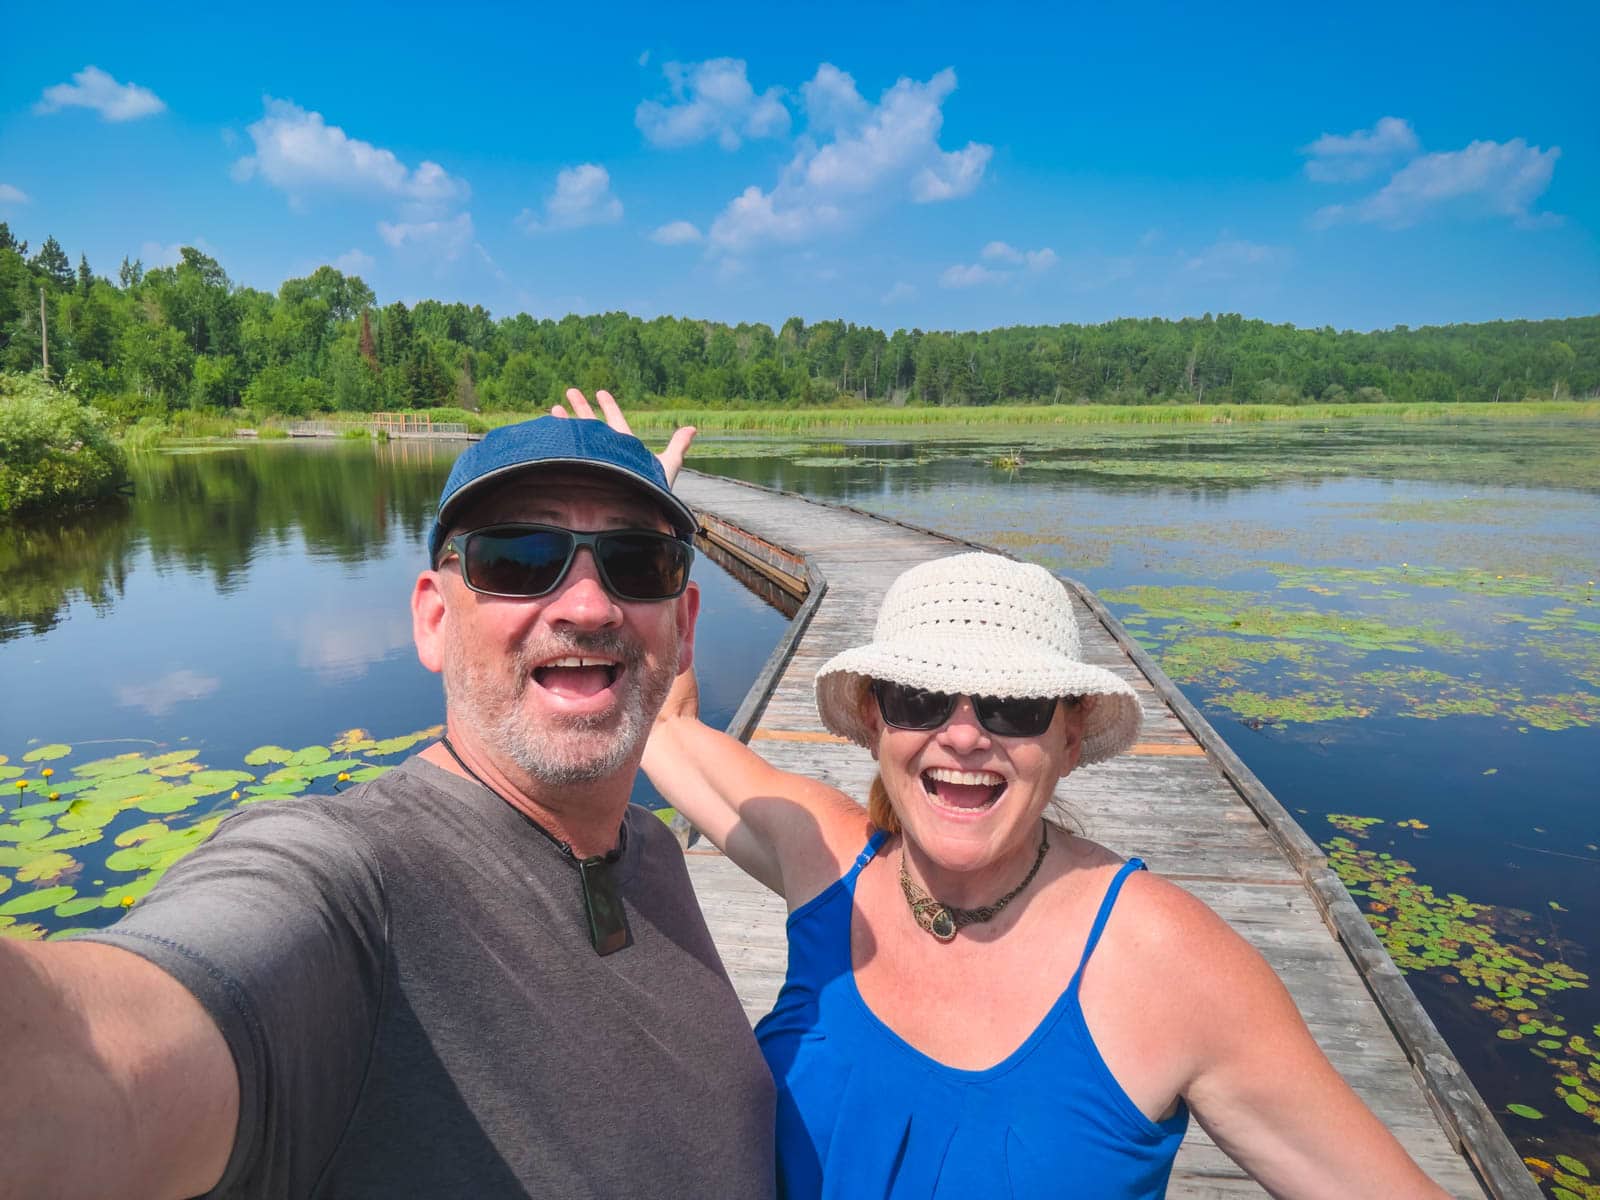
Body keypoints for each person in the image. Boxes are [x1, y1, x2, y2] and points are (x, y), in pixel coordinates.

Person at [554, 397, 1450, 1198]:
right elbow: (666, 730)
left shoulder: (1172, 965)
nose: (964, 734)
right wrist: (647, 536)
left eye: (1014, 706)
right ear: (874, 720)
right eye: (919, 697)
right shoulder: (824, 857)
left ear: (1068, 733)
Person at [0, 408, 775, 1199]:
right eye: (519, 557)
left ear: (682, 627)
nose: (589, 606)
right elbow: (86, 1058)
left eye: (636, 563)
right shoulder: (349, 886)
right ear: (435, 620)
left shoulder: (647, 846)